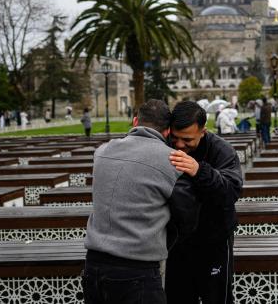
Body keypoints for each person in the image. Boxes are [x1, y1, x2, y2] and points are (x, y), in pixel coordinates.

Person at [83, 99, 199, 304]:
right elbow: (187, 219)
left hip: (94, 266)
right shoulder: (173, 161)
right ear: (167, 132)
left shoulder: (102, 152)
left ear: (135, 121)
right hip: (138, 271)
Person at [166, 101, 243, 304]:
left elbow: (231, 191)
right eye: (175, 138)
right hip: (177, 241)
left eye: (187, 139)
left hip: (214, 240)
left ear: (203, 131)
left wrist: (199, 171)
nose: (180, 145)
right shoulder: (165, 146)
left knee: (216, 297)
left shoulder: (222, 150)